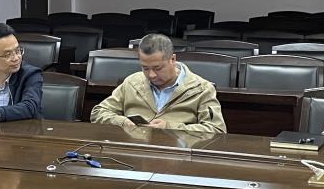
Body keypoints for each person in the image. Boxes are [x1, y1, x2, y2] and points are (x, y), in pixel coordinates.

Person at [90, 33, 225, 133]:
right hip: (135, 150)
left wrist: (169, 128)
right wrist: (123, 122)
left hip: (177, 155)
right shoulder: (132, 82)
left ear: (172, 59)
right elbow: (98, 112)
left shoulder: (202, 89)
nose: (151, 75)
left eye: (157, 68)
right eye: (145, 68)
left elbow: (217, 130)